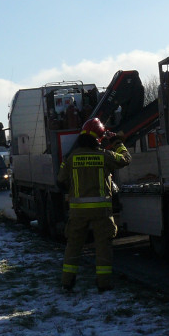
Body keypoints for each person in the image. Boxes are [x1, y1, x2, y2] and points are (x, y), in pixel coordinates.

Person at [58, 118, 131, 292]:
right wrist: (117, 142)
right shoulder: (104, 156)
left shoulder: (71, 158)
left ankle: (67, 282)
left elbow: (61, 180)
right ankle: (103, 284)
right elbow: (125, 159)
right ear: (99, 138)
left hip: (77, 213)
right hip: (101, 212)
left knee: (73, 246)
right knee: (103, 246)